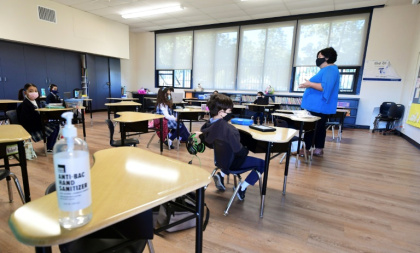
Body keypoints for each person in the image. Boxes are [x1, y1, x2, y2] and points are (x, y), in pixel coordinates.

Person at [200, 94, 265, 200]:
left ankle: (221, 174)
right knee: (262, 164)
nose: (230, 114)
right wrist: (246, 149)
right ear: (221, 112)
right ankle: (242, 188)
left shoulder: (207, 126)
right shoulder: (229, 129)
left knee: (228, 153)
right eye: (229, 112)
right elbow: (239, 152)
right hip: (232, 164)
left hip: (220, 161)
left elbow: (210, 144)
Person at [298, 47, 340, 157]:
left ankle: (306, 149)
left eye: (320, 57)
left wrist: (309, 84)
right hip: (318, 106)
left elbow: (325, 87)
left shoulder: (330, 70)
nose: (318, 59)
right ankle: (318, 149)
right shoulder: (327, 70)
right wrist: (307, 85)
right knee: (319, 128)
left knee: (310, 129)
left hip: (318, 106)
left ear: (327, 57)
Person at [17, 83, 60, 153]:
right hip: (32, 127)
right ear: (25, 92)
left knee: (56, 125)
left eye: (35, 91)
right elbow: (26, 120)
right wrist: (43, 121)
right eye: (31, 91)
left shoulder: (36, 102)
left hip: (38, 123)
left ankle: (51, 145)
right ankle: (49, 148)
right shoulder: (25, 104)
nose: (34, 93)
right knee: (53, 129)